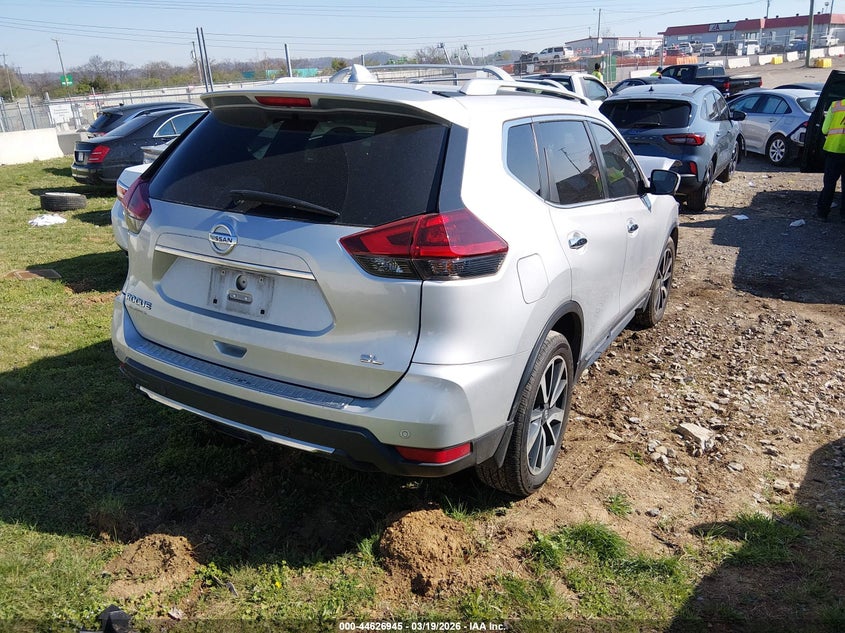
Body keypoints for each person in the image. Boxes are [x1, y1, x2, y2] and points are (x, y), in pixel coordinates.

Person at [817, 99, 845, 222]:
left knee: (829, 184)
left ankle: (822, 213)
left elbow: (824, 130)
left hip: (833, 150)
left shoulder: (835, 105)